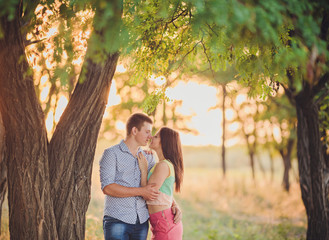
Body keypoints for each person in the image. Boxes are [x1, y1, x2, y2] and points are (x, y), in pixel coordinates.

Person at [99, 113, 182, 240]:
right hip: (118, 219)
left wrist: (174, 204)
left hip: (142, 222)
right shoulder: (112, 154)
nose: (150, 136)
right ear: (134, 131)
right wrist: (141, 191)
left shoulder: (148, 157)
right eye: (147, 132)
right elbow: (107, 188)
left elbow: (158, 185)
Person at [137, 127, 184, 240]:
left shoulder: (163, 166)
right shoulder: (162, 164)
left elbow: (147, 193)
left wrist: (144, 169)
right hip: (162, 224)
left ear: (164, 142)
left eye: (156, 136)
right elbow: (163, 191)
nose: (152, 137)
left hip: (165, 226)